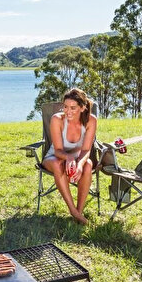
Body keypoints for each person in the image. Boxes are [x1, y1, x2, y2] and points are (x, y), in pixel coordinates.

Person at [41, 88, 97, 225]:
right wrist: (69, 158)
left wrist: (79, 164)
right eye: (65, 107)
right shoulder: (57, 119)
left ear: (82, 108)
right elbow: (58, 150)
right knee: (57, 163)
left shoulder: (91, 121)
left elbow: (86, 150)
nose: (67, 111)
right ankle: (73, 211)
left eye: (73, 108)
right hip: (55, 156)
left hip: (78, 157)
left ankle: (79, 211)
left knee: (88, 164)